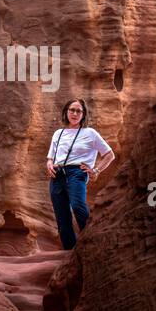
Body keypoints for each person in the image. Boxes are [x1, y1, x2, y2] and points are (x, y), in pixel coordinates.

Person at [46, 97, 115, 250]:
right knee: (62, 217)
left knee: (78, 206)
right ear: (66, 112)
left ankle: (92, 244)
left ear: (83, 115)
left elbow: (109, 154)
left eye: (79, 111)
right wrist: (49, 164)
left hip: (77, 172)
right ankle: (70, 252)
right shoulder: (58, 133)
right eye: (72, 110)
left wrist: (96, 170)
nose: (75, 113)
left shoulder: (90, 133)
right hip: (57, 174)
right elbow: (51, 156)